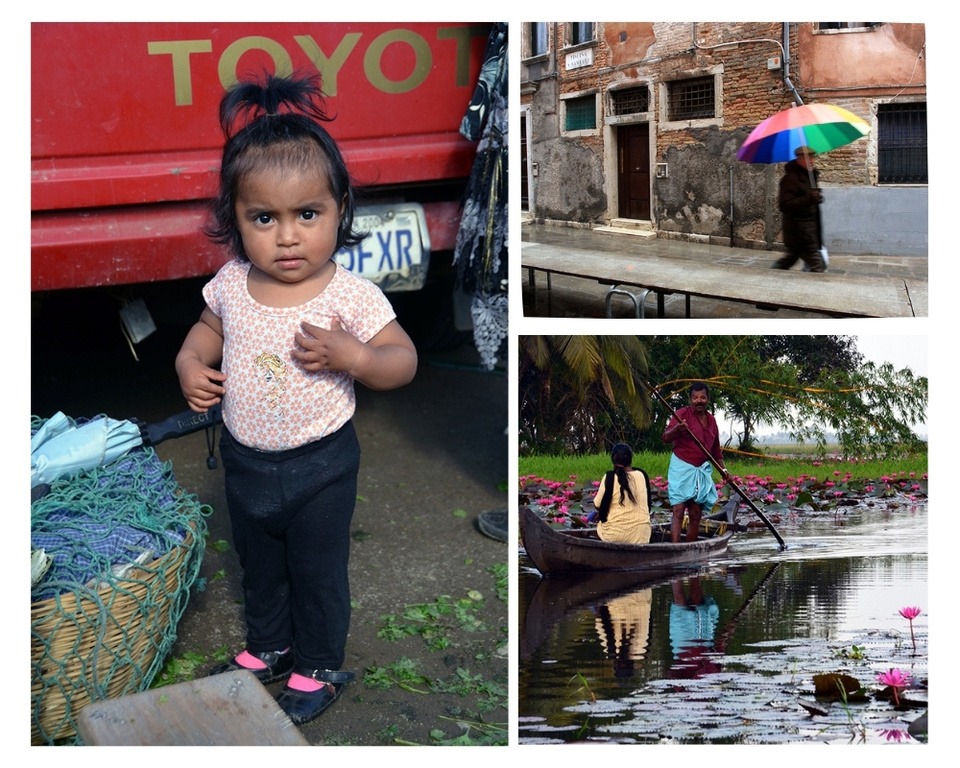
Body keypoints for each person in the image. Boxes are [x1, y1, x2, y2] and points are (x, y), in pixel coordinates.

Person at [175, 73, 418, 726]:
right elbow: (205, 332)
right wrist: (190, 361)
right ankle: (270, 645)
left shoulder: (351, 296)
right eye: (264, 218)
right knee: (259, 565)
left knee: (316, 570)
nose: (287, 237)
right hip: (247, 461)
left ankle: (319, 662)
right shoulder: (231, 283)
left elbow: (403, 360)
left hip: (321, 466)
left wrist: (359, 359)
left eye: (307, 215)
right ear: (234, 220)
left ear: (340, 209)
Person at [662, 383, 731, 543]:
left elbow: (715, 451)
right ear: (690, 399)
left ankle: (690, 547)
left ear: (708, 399)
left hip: (701, 470)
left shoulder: (711, 420)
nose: (699, 401)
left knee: (695, 513)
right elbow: (666, 437)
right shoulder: (681, 415)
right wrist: (677, 429)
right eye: (695, 398)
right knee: (678, 510)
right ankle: (675, 548)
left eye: (702, 397)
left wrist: (724, 471)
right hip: (681, 468)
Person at [771, 145, 826, 272]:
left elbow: (809, 200)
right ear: (799, 159)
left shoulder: (809, 177)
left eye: (812, 157)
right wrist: (809, 198)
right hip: (800, 232)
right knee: (818, 266)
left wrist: (817, 198)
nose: (812, 161)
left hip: (808, 230)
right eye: (808, 158)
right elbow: (785, 205)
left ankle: (770, 274)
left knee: (789, 259)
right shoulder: (790, 179)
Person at [591, 443, 652, 544]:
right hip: (642, 536)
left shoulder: (609, 477)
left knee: (600, 524)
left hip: (614, 536)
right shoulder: (642, 475)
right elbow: (648, 505)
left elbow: (597, 505)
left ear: (613, 459)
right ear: (631, 459)